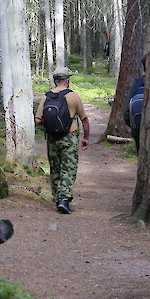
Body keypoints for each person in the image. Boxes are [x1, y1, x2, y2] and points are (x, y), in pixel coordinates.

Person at [35, 67, 90, 214]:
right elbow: (84, 119)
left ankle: (57, 197)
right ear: (67, 81)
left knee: (55, 168)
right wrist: (86, 137)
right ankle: (64, 199)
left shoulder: (46, 96)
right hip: (69, 137)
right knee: (68, 168)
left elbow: (38, 120)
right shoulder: (73, 96)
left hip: (52, 138)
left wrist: (52, 125)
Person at [124, 55, 146, 153]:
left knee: (140, 155)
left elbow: (127, 111)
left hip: (137, 127)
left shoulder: (137, 83)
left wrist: (132, 126)